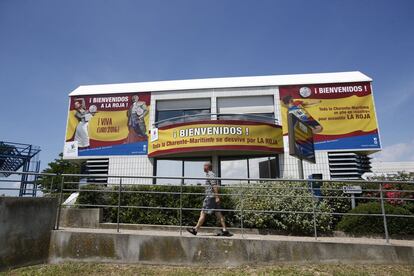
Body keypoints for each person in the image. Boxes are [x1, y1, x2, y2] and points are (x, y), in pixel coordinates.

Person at [187, 162, 232, 237]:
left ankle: (195, 229)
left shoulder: (210, 174)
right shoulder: (209, 174)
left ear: (208, 166)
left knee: (203, 212)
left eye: (204, 166)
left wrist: (217, 196)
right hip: (212, 197)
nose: (203, 167)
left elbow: (214, 186)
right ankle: (225, 230)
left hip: (210, 197)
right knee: (218, 214)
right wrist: (216, 197)